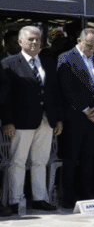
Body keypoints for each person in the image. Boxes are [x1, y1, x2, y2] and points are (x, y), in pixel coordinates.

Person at [1, 26, 62, 213]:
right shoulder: (9, 63)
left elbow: (55, 92)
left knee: (40, 161)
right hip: (21, 121)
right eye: (30, 39)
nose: (35, 42)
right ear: (20, 42)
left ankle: (39, 198)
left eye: (37, 39)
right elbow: (5, 96)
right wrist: (8, 121)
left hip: (46, 120)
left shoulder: (48, 62)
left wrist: (58, 118)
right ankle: (15, 200)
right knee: (18, 162)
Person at [57, 28, 94, 206]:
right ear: (79, 40)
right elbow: (66, 88)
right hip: (75, 116)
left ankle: (87, 193)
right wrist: (85, 109)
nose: (92, 49)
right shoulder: (66, 58)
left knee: (89, 157)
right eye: (89, 45)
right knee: (71, 157)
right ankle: (68, 198)